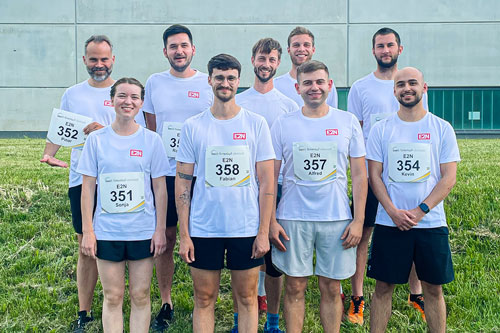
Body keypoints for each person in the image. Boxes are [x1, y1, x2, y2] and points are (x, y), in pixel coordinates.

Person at [39, 35, 141, 332]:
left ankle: (120, 305)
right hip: (82, 180)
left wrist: (104, 130)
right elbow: (61, 129)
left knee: (122, 245)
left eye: (104, 59)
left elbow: (138, 133)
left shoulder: (124, 94)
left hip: (121, 182)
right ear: (84, 60)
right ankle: (84, 312)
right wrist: (48, 154)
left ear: (113, 59)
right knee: (86, 245)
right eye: (93, 59)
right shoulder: (73, 94)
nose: (99, 65)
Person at [176, 54, 275, 333]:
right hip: (204, 228)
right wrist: (184, 235)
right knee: (204, 299)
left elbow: (267, 183)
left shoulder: (256, 124)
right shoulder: (193, 126)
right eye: (219, 77)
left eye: (231, 78)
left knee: (246, 298)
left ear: (238, 81)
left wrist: (263, 231)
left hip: (245, 227)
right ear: (209, 80)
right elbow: (183, 184)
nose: (225, 83)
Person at [269, 60, 367, 333]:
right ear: (297, 87)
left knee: (331, 286)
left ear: (329, 85)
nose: (314, 88)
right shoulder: (283, 123)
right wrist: (271, 220)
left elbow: (360, 175)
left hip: (335, 218)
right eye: (308, 83)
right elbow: (270, 177)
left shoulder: (346, 122)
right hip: (292, 218)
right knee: (295, 285)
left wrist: (358, 220)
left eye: (320, 82)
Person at [366, 67, 459, 333]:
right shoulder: (381, 130)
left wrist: (420, 211)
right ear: (394, 90)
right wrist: (393, 212)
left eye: (413, 83)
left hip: (431, 224)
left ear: (424, 88)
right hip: (389, 222)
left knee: (433, 288)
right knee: (383, 287)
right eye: (401, 84)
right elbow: (375, 177)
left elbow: (448, 178)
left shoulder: (441, 128)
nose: (407, 88)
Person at [346, 27, 426, 324]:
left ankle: (415, 292)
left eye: (390, 45)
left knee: (414, 229)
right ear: (374, 51)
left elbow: (421, 129)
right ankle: (357, 298)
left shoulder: (411, 84)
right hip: (370, 177)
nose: (385, 50)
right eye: (380, 46)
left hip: (407, 179)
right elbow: (356, 134)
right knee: (362, 235)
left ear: (399, 49)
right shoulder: (360, 88)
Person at [77, 77, 169, 333]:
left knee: (140, 295)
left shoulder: (152, 141)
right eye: (122, 96)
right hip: (107, 231)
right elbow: (88, 188)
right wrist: (88, 231)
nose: (128, 102)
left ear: (141, 103)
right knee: (113, 296)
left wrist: (160, 229)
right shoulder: (96, 140)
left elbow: (160, 189)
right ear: (111, 100)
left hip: (142, 231)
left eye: (134, 97)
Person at [142, 24, 214, 332]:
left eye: (184, 45)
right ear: (165, 52)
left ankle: (207, 297)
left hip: (205, 174)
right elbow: (151, 129)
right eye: (173, 47)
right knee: (167, 239)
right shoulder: (154, 83)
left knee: (206, 237)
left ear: (193, 49)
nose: (179, 51)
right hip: (167, 176)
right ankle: (166, 301)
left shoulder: (208, 82)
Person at [232, 38, 298, 333]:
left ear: (278, 64)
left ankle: (272, 321)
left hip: (280, 188)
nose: (266, 64)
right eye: (262, 58)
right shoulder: (239, 102)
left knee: (274, 259)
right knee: (244, 259)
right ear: (252, 60)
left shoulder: (289, 104)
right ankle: (240, 320)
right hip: (244, 189)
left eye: (272, 60)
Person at [274, 26, 338, 109]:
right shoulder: (276, 85)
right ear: (289, 50)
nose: (301, 49)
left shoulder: (325, 86)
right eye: (296, 45)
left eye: (306, 45)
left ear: (313, 49)